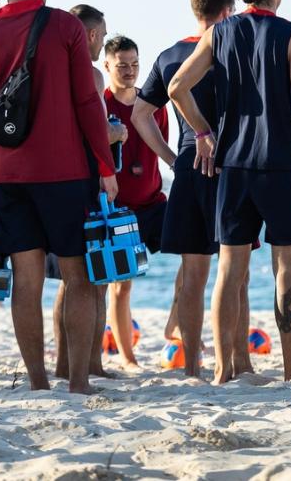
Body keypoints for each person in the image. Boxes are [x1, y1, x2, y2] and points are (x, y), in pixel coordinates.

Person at [0, 0, 117, 393]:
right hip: (65, 174)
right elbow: (88, 103)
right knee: (78, 279)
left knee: (25, 282)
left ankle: (36, 381)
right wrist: (105, 165)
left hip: (10, 177)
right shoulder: (64, 26)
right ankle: (79, 384)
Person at [169, 0, 291, 384]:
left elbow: (176, 87)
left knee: (229, 271)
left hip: (233, 163)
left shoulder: (219, 33)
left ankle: (221, 371)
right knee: (286, 270)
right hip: (280, 163)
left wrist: (203, 131)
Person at [133, 0, 254, 378]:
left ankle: (191, 367)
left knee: (193, 276)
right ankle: (238, 362)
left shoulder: (171, 54)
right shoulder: (234, 48)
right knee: (237, 276)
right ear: (226, 13)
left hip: (189, 169)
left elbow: (140, 115)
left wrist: (173, 159)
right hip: (230, 168)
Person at [47, 4, 127, 381]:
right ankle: (87, 365)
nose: (103, 42)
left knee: (69, 279)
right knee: (91, 279)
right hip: (83, 182)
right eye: (104, 34)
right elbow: (94, 131)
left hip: (48, 180)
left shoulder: (47, 69)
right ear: (91, 35)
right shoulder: (91, 75)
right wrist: (118, 133)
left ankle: (67, 365)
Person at [102, 35, 168, 368]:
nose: (130, 71)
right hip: (117, 210)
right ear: (107, 66)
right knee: (121, 286)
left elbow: (162, 146)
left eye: (135, 64)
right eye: (122, 65)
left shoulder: (153, 103)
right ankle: (127, 358)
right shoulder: (99, 104)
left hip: (154, 201)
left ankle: (178, 328)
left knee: (194, 257)